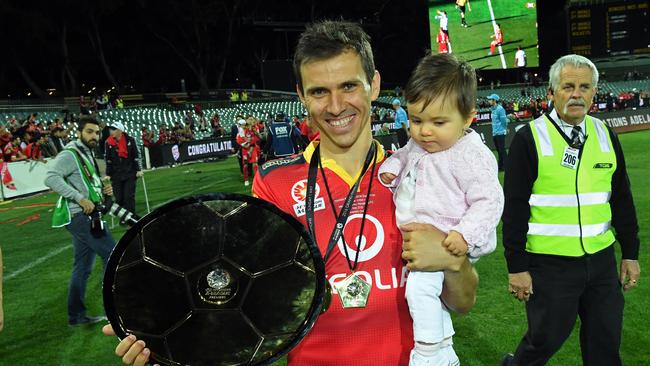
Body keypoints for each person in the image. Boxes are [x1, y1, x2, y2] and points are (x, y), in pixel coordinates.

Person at [103, 20, 478, 366]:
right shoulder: (275, 183)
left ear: (374, 85)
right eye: (319, 91)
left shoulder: (421, 173)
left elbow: (463, 302)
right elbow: (237, 292)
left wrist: (452, 260)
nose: (335, 106)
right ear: (301, 95)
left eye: (349, 86)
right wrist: (161, 327)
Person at [501, 54, 641, 366]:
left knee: (605, 344)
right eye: (567, 86)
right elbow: (513, 209)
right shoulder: (529, 138)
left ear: (594, 92)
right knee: (544, 341)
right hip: (550, 266)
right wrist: (517, 266)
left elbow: (621, 198)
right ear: (551, 93)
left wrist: (630, 253)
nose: (576, 94)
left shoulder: (606, 134)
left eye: (584, 87)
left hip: (602, 261)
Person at [379, 53, 503, 366]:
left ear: (469, 118)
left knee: (419, 292)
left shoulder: (470, 155)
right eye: (417, 121)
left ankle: (428, 353)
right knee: (432, 298)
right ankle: (445, 347)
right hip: (426, 240)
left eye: (438, 122)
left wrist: (464, 234)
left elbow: (490, 200)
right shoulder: (422, 143)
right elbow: (405, 153)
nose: (425, 132)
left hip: (450, 238)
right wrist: (391, 169)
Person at [44, 115, 116, 326]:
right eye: (89, 132)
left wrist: (103, 192)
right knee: (113, 256)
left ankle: (76, 316)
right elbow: (50, 177)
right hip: (79, 216)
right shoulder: (70, 154)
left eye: (97, 132)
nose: (95, 136)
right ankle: (114, 311)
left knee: (83, 266)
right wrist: (79, 198)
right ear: (79, 133)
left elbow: (85, 184)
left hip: (85, 216)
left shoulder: (86, 153)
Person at [104, 121, 143, 216]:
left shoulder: (130, 140)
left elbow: (135, 156)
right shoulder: (108, 143)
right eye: (110, 129)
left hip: (130, 173)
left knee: (128, 196)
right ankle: (123, 216)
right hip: (116, 174)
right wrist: (108, 174)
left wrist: (138, 170)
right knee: (119, 198)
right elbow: (108, 159)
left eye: (113, 129)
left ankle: (130, 217)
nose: (111, 131)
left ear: (120, 130)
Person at [487, 94, 508, 171]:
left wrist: (505, 129)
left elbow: (504, 121)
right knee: (499, 151)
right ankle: (501, 167)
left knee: (502, 150)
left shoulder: (500, 109)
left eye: (490, 99)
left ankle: (506, 166)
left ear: (494, 100)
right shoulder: (492, 109)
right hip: (495, 133)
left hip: (500, 133)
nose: (488, 101)